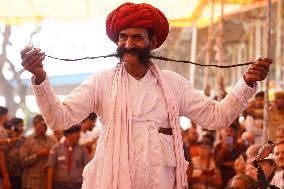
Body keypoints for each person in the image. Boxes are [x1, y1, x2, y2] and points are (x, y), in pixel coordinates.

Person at [20, 2, 272, 188]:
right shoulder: (101, 82)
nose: (128, 44)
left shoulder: (174, 84)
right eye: (123, 37)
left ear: (152, 41)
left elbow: (217, 118)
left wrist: (246, 83)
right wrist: (41, 79)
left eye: (137, 38)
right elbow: (59, 120)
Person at [20, 114, 57, 189]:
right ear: (34, 125)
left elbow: (58, 158)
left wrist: (51, 154)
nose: (45, 126)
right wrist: (37, 154)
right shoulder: (27, 140)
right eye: (42, 124)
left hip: (47, 182)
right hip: (31, 183)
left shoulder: (52, 140)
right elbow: (22, 162)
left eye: (46, 124)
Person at [47, 125, 89, 189]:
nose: (79, 136)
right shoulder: (56, 149)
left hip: (77, 186)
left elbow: (87, 169)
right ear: (69, 135)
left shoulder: (83, 150)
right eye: (77, 134)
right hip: (60, 185)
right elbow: (50, 169)